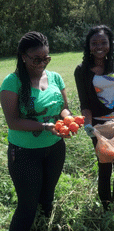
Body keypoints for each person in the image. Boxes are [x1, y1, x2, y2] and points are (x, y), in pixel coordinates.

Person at [0, 31, 73, 231]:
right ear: (23, 57)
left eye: (46, 58)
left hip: (55, 149)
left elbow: (62, 108)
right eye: (37, 59)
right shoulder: (12, 82)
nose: (42, 63)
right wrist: (44, 126)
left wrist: (69, 119)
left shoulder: (56, 78)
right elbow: (13, 121)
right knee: (27, 207)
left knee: (47, 198)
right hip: (25, 153)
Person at [74, 25, 114, 212]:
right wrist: (87, 123)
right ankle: (105, 206)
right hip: (99, 127)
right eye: (94, 43)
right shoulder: (82, 70)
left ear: (110, 43)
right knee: (104, 165)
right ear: (88, 46)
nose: (99, 46)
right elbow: (84, 103)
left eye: (103, 42)